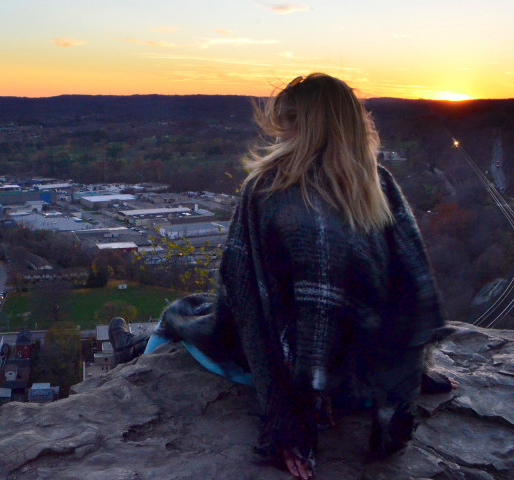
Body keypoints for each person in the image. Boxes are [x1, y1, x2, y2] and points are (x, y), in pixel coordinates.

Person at [109, 73, 451, 479]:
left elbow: (246, 302)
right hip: (363, 380)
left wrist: (287, 423)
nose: (278, 133)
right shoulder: (377, 184)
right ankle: (134, 345)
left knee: (183, 316)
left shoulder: (268, 189)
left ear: (299, 128)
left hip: (300, 379)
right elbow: (412, 294)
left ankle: (132, 348)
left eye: (285, 124)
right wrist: (406, 381)